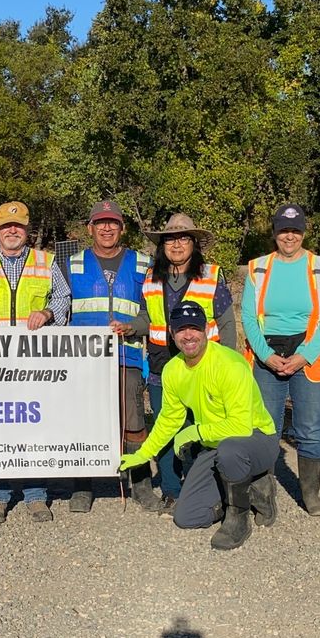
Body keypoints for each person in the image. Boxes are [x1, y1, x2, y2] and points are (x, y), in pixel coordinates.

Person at [119, 302, 279, 551]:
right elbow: (169, 419)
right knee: (187, 518)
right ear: (172, 334)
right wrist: (143, 453)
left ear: (205, 330)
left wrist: (196, 431)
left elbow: (240, 426)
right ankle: (246, 489)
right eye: (181, 329)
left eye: (194, 328)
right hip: (216, 444)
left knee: (231, 451)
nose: (188, 335)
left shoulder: (229, 364)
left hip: (254, 439)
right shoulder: (173, 370)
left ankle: (239, 518)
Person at [115, 213, 235, 513]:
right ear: (162, 245)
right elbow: (148, 318)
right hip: (162, 366)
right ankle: (172, 489)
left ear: (194, 243)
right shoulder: (151, 277)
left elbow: (226, 321)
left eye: (184, 238)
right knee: (166, 428)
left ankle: (207, 487)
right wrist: (130, 328)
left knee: (203, 428)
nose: (177, 244)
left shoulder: (210, 275)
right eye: (171, 239)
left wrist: (229, 364)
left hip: (204, 367)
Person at [0, 201, 71, 523]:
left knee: (34, 423)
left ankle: (36, 494)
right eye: (6, 226)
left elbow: (62, 297)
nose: (12, 231)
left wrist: (48, 313)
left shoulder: (46, 261)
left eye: (19, 226)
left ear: (28, 230)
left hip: (34, 361)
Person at [241, 203, 320, 517]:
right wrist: (266, 356)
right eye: (284, 230)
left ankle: (310, 495)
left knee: (310, 428)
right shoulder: (257, 267)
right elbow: (248, 317)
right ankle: (263, 495)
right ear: (274, 232)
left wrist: (303, 356)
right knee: (266, 428)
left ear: (303, 232)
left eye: (295, 230)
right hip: (267, 354)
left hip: (308, 355)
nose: (289, 236)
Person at [67, 201, 162, 513]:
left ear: (122, 228)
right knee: (84, 420)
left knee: (134, 419)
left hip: (127, 355)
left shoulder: (143, 263)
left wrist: (133, 327)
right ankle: (83, 485)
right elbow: (58, 307)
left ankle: (141, 482)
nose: (106, 228)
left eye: (113, 223)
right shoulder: (72, 264)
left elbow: (153, 313)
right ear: (90, 228)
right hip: (84, 359)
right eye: (100, 222)